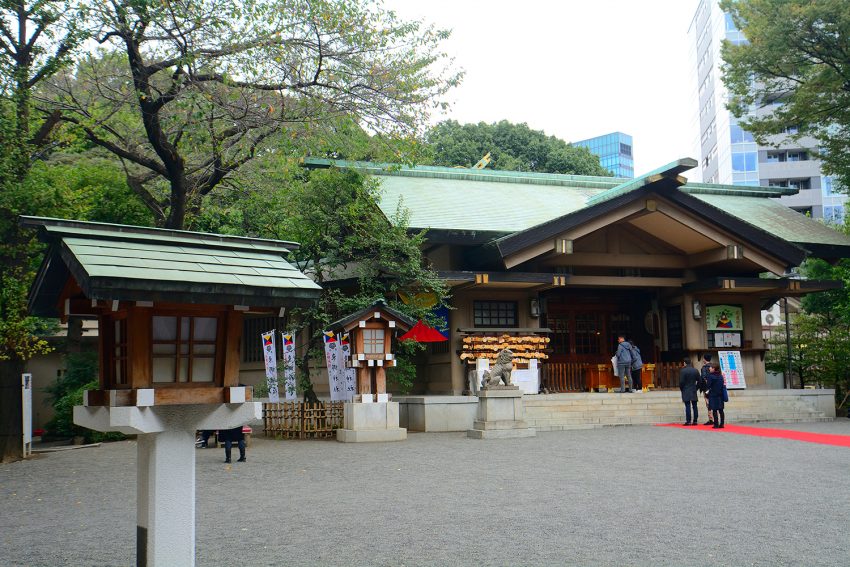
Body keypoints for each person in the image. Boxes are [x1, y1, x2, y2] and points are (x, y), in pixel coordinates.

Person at [678, 357, 700, 425]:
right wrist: (696, 388)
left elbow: (681, 382)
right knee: (695, 405)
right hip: (693, 389)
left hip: (686, 389)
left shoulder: (683, 371)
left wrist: (682, 389)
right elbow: (699, 380)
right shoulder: (695, 370)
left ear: (684, 363)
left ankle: (688, 421)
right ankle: (695, 420)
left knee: (687, 405)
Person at [706, 362, 726, 429]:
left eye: (711, 367)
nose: (709, 368)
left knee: (714, 410)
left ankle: (716, 424)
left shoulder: (710, 376)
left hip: (713, 394)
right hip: (720, 394)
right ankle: (722, 424)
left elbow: (708, 385)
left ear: (713, 369)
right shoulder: (720, 376)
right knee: (721, 410)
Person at [699, 354, 713, 425]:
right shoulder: (713, 366)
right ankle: (714, 418)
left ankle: (711, 419)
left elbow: (704, 377)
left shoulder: (704, 367)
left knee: (708, 403)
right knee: (713, 402)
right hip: (714, 388)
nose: (703, 360)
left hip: (707, 388)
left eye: (703, 359)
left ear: (705, 359)